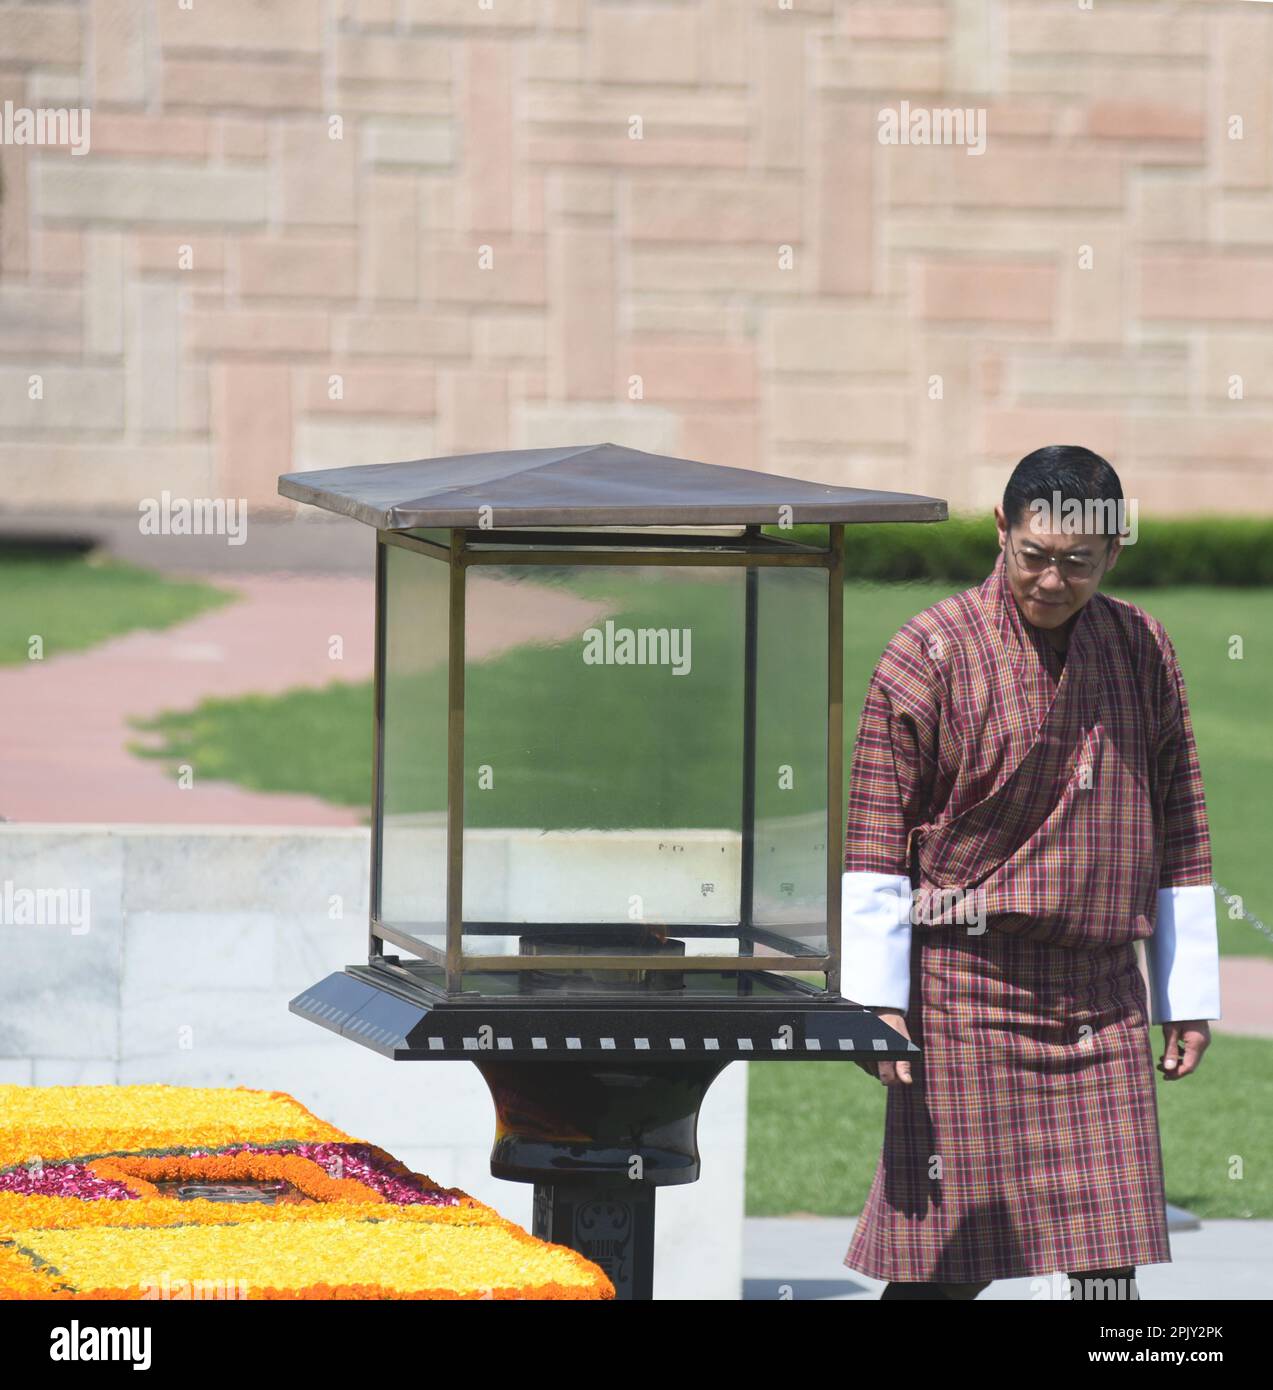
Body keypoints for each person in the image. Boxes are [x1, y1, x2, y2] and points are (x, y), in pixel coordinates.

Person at [839, 445, 1221, 1301]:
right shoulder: (927, 651)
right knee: (943, 1258)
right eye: (1034, 557)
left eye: (1077, 565)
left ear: (1114, 550)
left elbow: (1181, 821)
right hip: (964, 988)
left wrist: (1184, 991)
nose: (1052, 581)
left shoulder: (1139, 647)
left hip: (1098, 993)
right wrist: (875, 1000)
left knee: (1107, 1251)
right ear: (1002, 531)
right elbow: (872, 836)